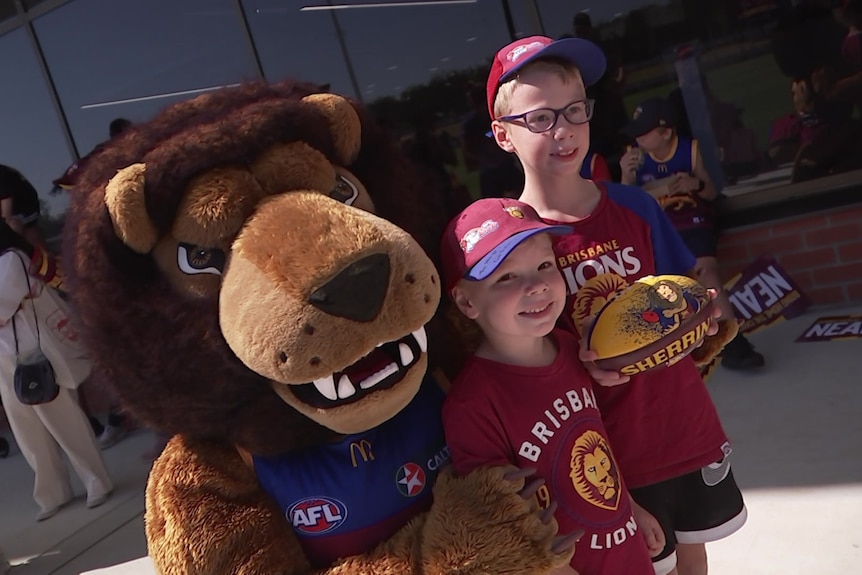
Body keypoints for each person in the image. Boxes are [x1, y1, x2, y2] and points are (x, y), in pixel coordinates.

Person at [485, 35, 747, 575]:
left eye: (575, 110)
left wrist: (702, 323)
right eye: (539, 119)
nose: (563, 130)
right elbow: (528, 360)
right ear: (503, 135)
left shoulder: (635, 206)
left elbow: (682, 295)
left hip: (681, 422)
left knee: (694, 555)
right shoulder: (516, 243)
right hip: (605, 451)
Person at [440, 197, 662, 575]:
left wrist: (631, 507)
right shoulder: (471, 405)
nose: (537, 285)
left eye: (544, 265)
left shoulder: (570, 346)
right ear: (465, 301)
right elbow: (503, 517)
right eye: (507, 276)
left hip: (626, 549)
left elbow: (597, 449)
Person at [619, 97, 765, 371]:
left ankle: (733, 342)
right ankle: (680, 351)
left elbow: (710, 191)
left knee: (706, 274)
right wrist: (626, 178)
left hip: (691, 219)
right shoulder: (634, 158)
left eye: (644, 131)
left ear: (666, 132)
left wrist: (694, 183)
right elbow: (624, 204)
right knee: (662, 286)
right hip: (657, 225)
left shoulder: (688, 149)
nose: (637, 137)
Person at [0, 230, 112, 521]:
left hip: (35, 352)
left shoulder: (11, 259)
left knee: (64, 420)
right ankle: (52, 494)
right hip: (4, 358)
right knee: (27, 431)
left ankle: (96, 481)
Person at [462, 85, 524, 198]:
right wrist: (485, 159)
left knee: (521, 194)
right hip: (489, 170)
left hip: (506, 165)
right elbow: (467, 149)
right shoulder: (471, 125)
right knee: (494, 202)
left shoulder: (497, 115)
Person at [0, 165, 41, 247]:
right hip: (16, 205)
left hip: (25, 206)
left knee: (12, 226)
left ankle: (19, 252)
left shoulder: (1, 175)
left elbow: (6, 215)